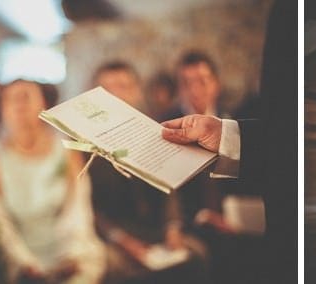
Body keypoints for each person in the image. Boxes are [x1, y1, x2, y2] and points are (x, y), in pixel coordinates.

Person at [160, 2, 297, 282]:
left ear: (216, 83)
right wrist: (200, 217)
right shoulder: (167, 124)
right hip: (194, 224)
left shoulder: (239, 117)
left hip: (241, 219)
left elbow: (264, 165)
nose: (196, 90)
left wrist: (237, 219)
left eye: (203, 80)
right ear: (179, 89)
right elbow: (167, 190)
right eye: (188, 83)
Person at [0, 79, 105, 283]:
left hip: (69, 251)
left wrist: (70, 256)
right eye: (11, 100)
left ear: (43, 105)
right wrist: (27, 264)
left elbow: (77, 211)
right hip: (18, 256)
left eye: (26, 97)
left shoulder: (67, 151)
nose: (19, 105)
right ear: (2, 110)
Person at [90, 62, 209, 283]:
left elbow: (169, 186)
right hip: (114, 236)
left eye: (124, 86)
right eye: (107, 89)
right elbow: (90, 208)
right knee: (111, 265)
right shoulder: (83, 146)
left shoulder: (154, 132)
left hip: (156, 230)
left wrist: (172, 228)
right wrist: (122, 239)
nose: (116, 95)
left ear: (136, 91)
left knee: (196, 253)